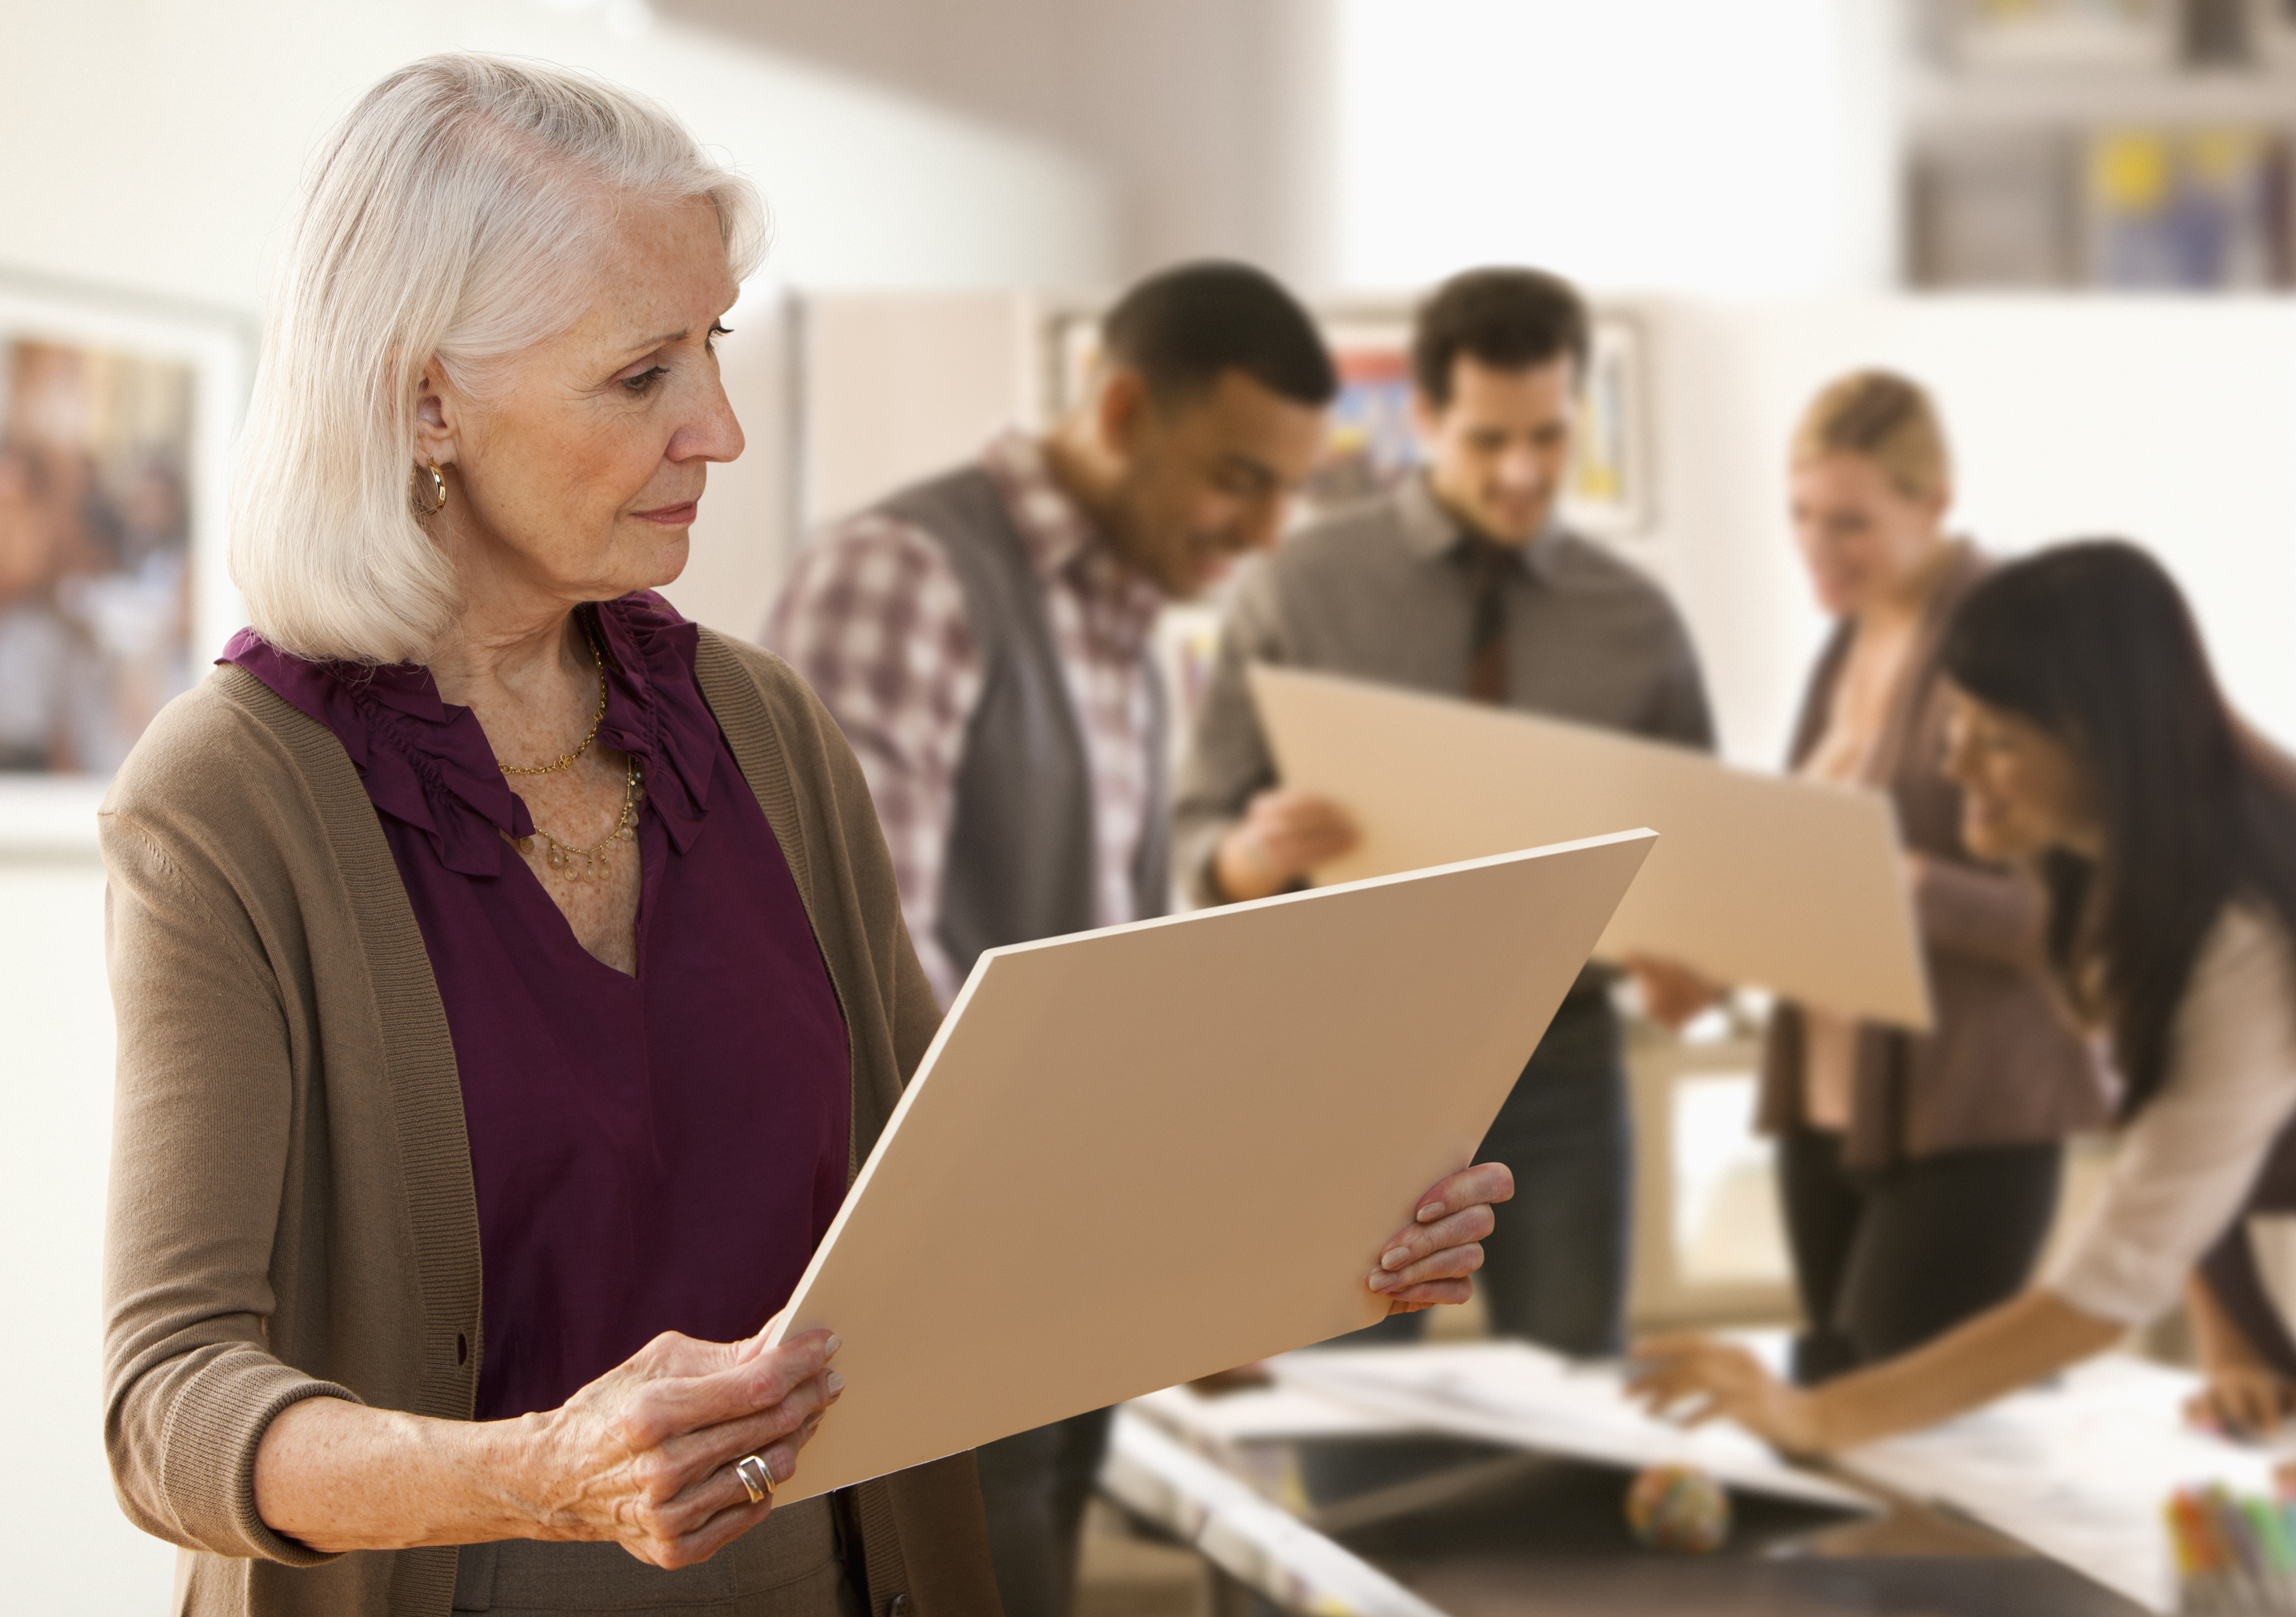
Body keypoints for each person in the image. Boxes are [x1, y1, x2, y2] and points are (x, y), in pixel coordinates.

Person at [99, 60, 1515, 1617]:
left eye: (709, 346)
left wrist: (1314, 1244)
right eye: (640, 375)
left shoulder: (755, 725)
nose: (718, 427)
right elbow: (166, 1403)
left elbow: (959, 1217)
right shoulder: (230, 795)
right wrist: (544, 1467)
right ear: (426, 398)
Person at [762, 260, 1345, 1617]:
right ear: (1126, 408)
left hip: (1051, 1273)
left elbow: (1107, 974)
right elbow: (850, 960)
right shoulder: (905, 576)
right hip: (928, 1287)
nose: (1260, 532)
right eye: (1235, 477)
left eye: (1286, 491)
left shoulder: (1129, 630)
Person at [1627, 540, 2296, 1461]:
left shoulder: (2240, 931)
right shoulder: (2109, 879)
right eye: (1957, 724)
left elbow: (2111, 1276)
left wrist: (1819, 1414)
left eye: (2001, 740)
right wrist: (2233, 1340)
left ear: (2107, 744)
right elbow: (2177, 1137)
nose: (1956, 767)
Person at [1173, 265, 1713, 1360]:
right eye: (1485, 440)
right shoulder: (1298, 585)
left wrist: (1686, 955)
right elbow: (1195, 833)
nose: (1522, 473)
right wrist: (1248, 853)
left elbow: (1700, 866)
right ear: (1421, 420)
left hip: (1563, 1070)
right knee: (1357, 1440)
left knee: (1571, 1433)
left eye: (1548, 438)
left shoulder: (1637, 622)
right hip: (1346, 1074)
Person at [1756, 372, 2107, 1385]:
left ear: (1935, 503)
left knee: (1892, 1422)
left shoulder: (2020, 640)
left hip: (1967, 1112)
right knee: (1830, 1418)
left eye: (1851, 522)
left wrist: (1919, 890)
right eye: (1801, 516)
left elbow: (2091, 913)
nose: (1817, 549)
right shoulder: (1849, 637)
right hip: (1828, 1101)